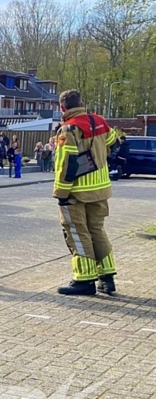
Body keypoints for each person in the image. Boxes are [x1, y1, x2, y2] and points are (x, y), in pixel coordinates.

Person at [52, 90, 122, 296]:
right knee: (97, 230)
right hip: (101, 188)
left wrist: (61, 192)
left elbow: (67, 162)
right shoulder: (99, 121)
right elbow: (115, 144)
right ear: (81, 103)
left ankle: (84, 279)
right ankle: (107, 278)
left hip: (76, 191)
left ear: (62, 108)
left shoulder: (69, 129)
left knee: (77, 232)